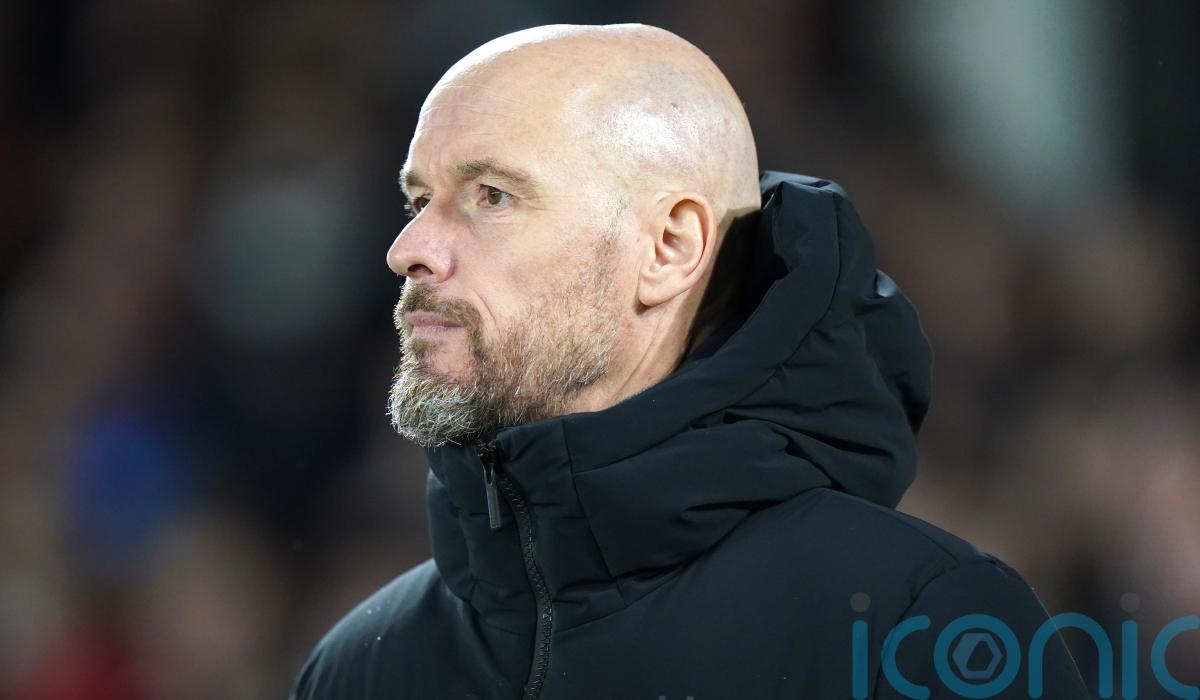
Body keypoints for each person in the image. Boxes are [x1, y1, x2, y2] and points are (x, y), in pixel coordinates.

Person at [291, 24, 1090, 700]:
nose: (409, 248)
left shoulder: (919, 625)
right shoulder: (358, 670)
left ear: (671, 247)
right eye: (418, 200)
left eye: (491, 195)